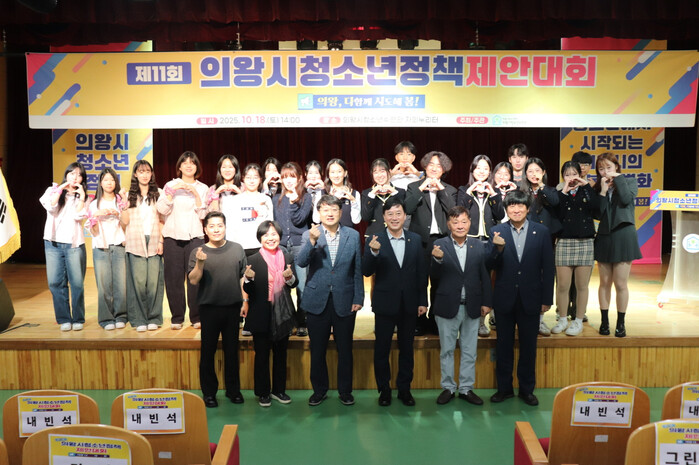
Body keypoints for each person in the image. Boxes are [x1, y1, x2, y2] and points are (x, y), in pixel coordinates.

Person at [296, 195, 364, 407]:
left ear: (341, 212)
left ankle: (345, 391)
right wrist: (311, 242)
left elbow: (357, 269)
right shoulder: (309, 234)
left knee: (345, 350)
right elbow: (301, 261)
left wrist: (358, 297)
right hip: (317, 300)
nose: (330, 213)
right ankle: (319, 390)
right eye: (325, 209)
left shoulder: (352, 235)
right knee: (318, 350)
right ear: (319, 213)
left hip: (345, 299)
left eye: (334, 209)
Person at [488, 189, 554, 407]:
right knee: (503, 346)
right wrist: (497, 250)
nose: (516, 209)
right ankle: (504, 389)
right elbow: (489, 265)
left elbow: (548, 267)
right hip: (504, 297)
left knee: (528, 347)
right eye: (512, 206)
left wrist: (546, 299)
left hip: (531, 298)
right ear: (506, 209)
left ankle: (527, 390)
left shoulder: (541, 231)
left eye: (520, 205)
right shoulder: (496, 231)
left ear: (528, 208)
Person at [362, 197, 427, 407]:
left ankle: (404, 389)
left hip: (409, 303)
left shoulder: (415, 239)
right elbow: (366, 271)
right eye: (390, 214)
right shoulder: (375, 239)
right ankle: (384, 390)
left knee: (407, 349)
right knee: (382, 349)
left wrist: (423, 301)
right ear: (384, 217)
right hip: (384, 303)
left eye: (398, 213)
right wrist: (373, 252)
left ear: (405, 216)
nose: (394, 217)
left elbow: (421, 273)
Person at [430, 206, 493, 406]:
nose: (460, 226)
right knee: (447, 350)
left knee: (469, 351)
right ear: (448, 224)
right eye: (455, 222)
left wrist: (487, 302)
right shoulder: (439, 245)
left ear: (470, 223)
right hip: (447, 305)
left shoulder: (479, 246)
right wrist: (437, 260)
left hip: (472, 305)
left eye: (464, 221)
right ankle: (448, 387)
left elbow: (484, 276)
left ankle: (466, 388)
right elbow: (433, 276)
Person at [188, 211, 247, 408]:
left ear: (225, 227)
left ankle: (233, 390)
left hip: (232, 308)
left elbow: (243, 277)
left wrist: (245, 301)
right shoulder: (197, 252)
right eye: (211, 226)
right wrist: (200, 263)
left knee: (232, 352)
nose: (216, 230)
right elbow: (193, 279)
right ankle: (209, 393)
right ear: (205, 230)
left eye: (219, 225)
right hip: (209, 308)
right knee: (208, 352)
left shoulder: (237, 249)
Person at [243, 221, 297, 407]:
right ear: (260, 238)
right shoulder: (253, 259)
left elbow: (294, 284)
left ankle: (279, 390)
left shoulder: (287, 256)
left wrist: (290, 278)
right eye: (266, 235)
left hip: (282, 311)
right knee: (262, 355)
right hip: (261, 312)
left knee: (281, 354)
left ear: (280, 236)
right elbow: (248, 289)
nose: (270, 238)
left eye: (274, 234)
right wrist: (248, 280)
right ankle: (263, 392)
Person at [405, 150, 458, 335]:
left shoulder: (449, 190)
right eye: (431, 165)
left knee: (439, 282)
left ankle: (435, 319)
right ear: (425, 167)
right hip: (420, 241)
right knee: (418, 281)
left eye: (439, 166)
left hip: (441, 240)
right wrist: (421, 188)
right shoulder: (413, 186)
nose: (435, 169)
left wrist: (440, 190)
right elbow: (407, 208)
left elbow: (453, 212)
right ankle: (419, 320)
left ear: (444, 170)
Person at [157, 151, 208, 330]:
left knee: (196, 278)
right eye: (184, 162)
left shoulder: (203, 187)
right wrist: (172, 193)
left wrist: (196, 195)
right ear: (179, 166)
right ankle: (177, 317)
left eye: (192, 163)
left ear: (197, 167)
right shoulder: (170, 185)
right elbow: (161, 209)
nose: (188, 165)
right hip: (172, 237)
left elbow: (204, 214)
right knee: (173, 279)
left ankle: (196, 317)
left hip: (195, 237)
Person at [593, 152, 642, 338]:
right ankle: (604, 322)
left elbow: (627, 199)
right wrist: (603, 191)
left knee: (621, 283)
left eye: (609, 167)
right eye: (601, 168)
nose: (605, 171)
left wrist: (618, 179)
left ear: (616, 167)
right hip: (604, 236)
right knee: (604, 282)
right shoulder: (598, 187)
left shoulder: (629, 182)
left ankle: (621, 323)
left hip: (624, 235)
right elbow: (597, 214)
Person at [456, 155, 504, 337]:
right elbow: (459, 212)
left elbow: (500, 214)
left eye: (485, 168)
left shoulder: (494, 191)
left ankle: (484, 320)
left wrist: (493, 195)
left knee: (489, 281)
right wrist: (470, 193)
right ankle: (470, 319)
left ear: (490, 172)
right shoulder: (464, 190)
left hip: (489, 241)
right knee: (472, 281)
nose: (482, 172)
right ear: (472, 171)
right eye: (478, 168)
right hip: (471, 241)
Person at [550, 162, 599, 336]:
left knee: (581, 286)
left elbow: (596, 207)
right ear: (563, 176)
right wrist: (564, 191)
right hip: (564, 241)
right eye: (567, 174)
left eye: (574, 174)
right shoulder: (559, 193)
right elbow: (557, 213)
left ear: (580, 174)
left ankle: (578, 320)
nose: (571, 177)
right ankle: (563, 319)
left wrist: (585, 186)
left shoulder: (586, 190)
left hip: (585, 242)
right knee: (563, 285)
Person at [40, 162, 88, 331]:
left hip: (74, 244)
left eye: (79, 175)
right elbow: (51, 207)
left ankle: (78, 318)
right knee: (55, 282)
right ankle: (64, 319)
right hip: (52, 243)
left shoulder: (83, 197)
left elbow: (78, 216)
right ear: (66, 174)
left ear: (82, 179)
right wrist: (60, 189)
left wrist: (81, 196)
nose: (75, 177)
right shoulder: (52, 190)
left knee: (77, 283)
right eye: (72, 173)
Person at [121, 160, 164, 332]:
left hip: (154, 239)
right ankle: (138, 319)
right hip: (135, 240)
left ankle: (154, 317)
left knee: (153, 282)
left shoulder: (159, 193)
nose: (144, 175)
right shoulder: (128, 195)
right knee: (138, 283)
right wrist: (123, 205)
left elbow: (162, 219)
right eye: (141, 171)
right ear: (135, 174)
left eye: (147, 171)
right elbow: (125, 221)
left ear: (151, 174)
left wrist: (161, 241)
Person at [272, 162, 313, 337]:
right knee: (283, 285)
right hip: (281, 246)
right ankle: (288, 322)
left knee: (302, 285)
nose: (289, 180)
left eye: (292, 177)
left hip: (300, 245)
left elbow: (299, 220)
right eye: (285, 177)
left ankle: (302, 321)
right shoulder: (276, 199)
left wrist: (295, 202)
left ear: (299, 178)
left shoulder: (306, 198)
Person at [87, 167, 127, 331]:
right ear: (100, 183)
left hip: (119, 245)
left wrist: (119, 213)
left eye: (112, 180)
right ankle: (106, 318)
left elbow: (126, 224)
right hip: (101, 247)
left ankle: (121, 316)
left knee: (121, 284)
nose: (109, 183)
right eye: (106, 180)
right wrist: (97, 215)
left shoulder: (120, 201)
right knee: (104, 285)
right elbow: (93, 231)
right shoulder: (93, 204)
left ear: (116, 182)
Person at [226, 163, 275, 256]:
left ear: (260, 179)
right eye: (248, 177)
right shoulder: (234, 200)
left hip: (261, 246)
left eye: (255, 177)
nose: (252, 181)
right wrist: (231, 247)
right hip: (240, 247)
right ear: (243, 179)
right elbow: (230, 227)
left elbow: (270, 224)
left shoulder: (265, 199)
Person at [361, 158, 405, 238]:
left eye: (382, 171)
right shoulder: (367, 193)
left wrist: (393, 192)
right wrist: (372, 194)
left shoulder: (400, 192)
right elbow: (365, 217)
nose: (379, 175)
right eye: (375, 172)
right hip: (374, 235)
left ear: (389, 172)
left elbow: (404, 212)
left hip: (396, 235)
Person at [323, 158, 361, 228]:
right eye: (332, 172)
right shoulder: (322, 193)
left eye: (339, 172)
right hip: (327, 233)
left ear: (345, 173)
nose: (336, 175)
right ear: (328, 174)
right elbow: (316, 219)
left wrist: (353, 201)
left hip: (347, 233)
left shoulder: (354, 194)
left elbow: (356, 221)